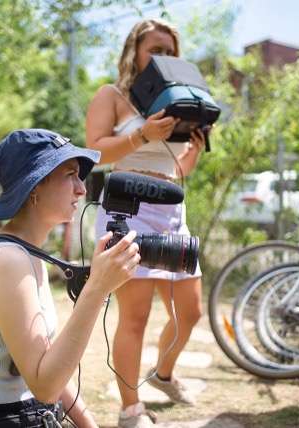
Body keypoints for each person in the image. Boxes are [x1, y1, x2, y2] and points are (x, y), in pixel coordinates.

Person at [0, 129, 141, 427]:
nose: (82, 190)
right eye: (70, 175)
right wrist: (97, 288)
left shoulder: (29, 254)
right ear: (34, 186)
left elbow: (52, 364)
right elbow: (46, 386)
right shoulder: (6, 262)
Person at [85, 18, 206, 428]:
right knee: (133, 317)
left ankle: (164, 375)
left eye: (170, 51)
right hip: (127, 209)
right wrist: (142, 136)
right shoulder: (113, 96)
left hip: (171, 211)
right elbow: (95, 154)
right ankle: (130, 409)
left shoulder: (177, 100)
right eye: (155, 49)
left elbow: (174, 169)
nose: (163, 58)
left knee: (190, 312)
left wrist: (195, 152)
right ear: (134, 51)